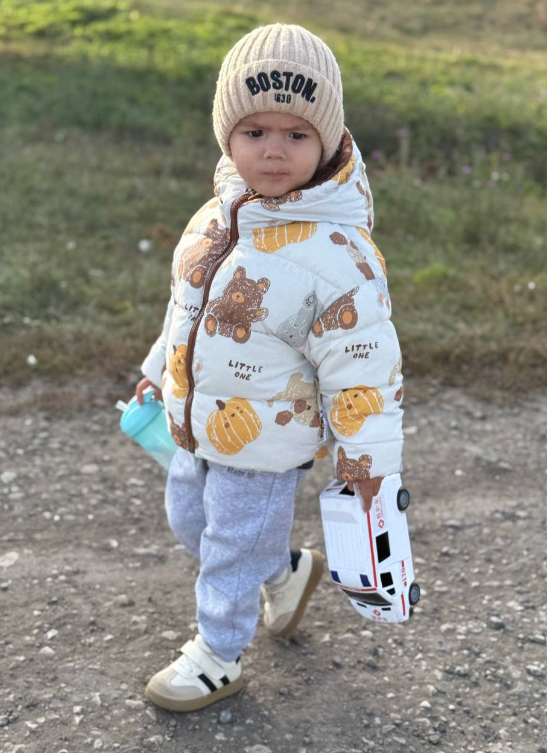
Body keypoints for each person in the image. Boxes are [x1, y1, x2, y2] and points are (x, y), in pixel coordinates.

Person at [135, 23, 404, 712]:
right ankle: (284, 570)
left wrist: (364, 462)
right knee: (188, 518)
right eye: (254, 132)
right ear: (227, 135)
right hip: (200, 418)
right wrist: (159, 367)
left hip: (268, 443)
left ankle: (218, 653)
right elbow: (186, 306)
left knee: (228, 547)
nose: (274, 150)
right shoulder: (217, 217)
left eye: (296, 134)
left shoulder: (339, 255)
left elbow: (364, 371)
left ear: (327, 141)